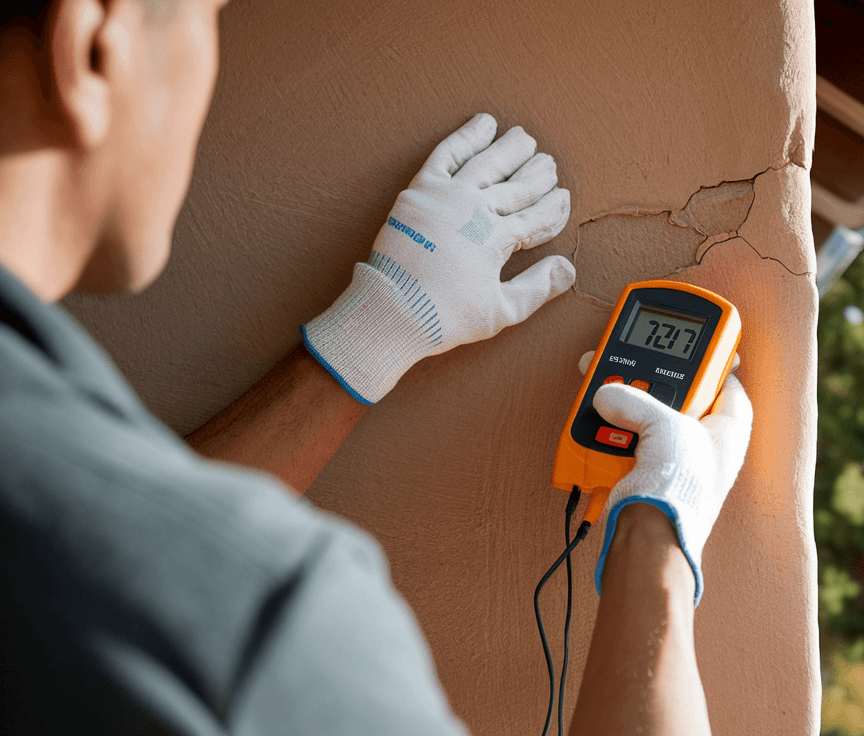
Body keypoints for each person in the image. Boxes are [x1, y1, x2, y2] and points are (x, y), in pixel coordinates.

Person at [0, 0, 754, 734]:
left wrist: (376, 330)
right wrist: (659, 521)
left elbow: (123, 553)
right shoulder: (271, 617)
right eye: (211, 20)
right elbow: (160, 569)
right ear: (93, 47)